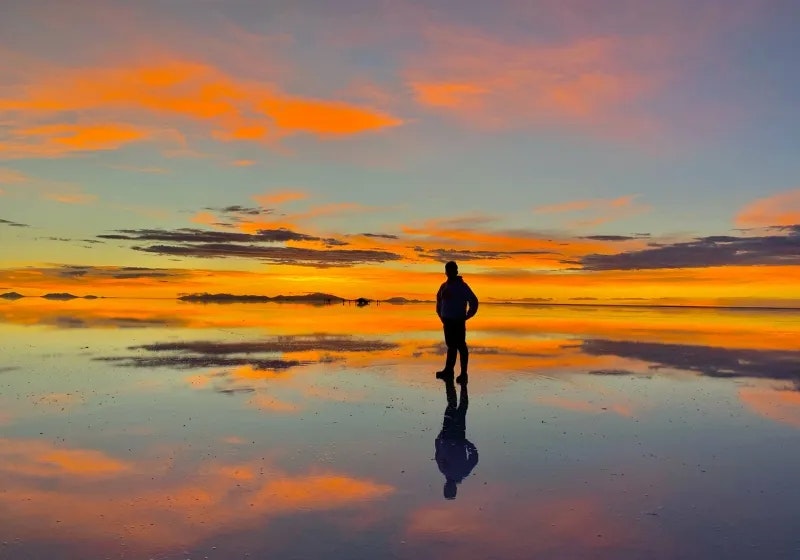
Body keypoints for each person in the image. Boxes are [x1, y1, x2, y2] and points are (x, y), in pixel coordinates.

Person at [435, 374, 478, 499]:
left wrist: (467, 444)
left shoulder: (454, 471)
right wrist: (467, 444)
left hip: (452, 435)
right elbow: (474, 458)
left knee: (458, 407)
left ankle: (459, 385)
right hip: (455, 435)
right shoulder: (456, 472)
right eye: (450, 489)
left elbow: (439, 452)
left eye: (447, 489)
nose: (448, 487)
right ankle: (460, 385)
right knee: (458, 407)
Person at [435, 261, 478, 383]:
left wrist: (468, 315)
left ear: (456, 271)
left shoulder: (462, 286)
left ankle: (463, 374)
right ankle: (449, 371)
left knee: (461, 346)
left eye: (454, 269)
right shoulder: (443, 286)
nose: (452, 272)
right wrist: (441, 315)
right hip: (447, 321)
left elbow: (474, 301)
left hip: (458, 321)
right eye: (449, 270)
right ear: (446, 272)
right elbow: (439, 302)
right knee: (451, 346)